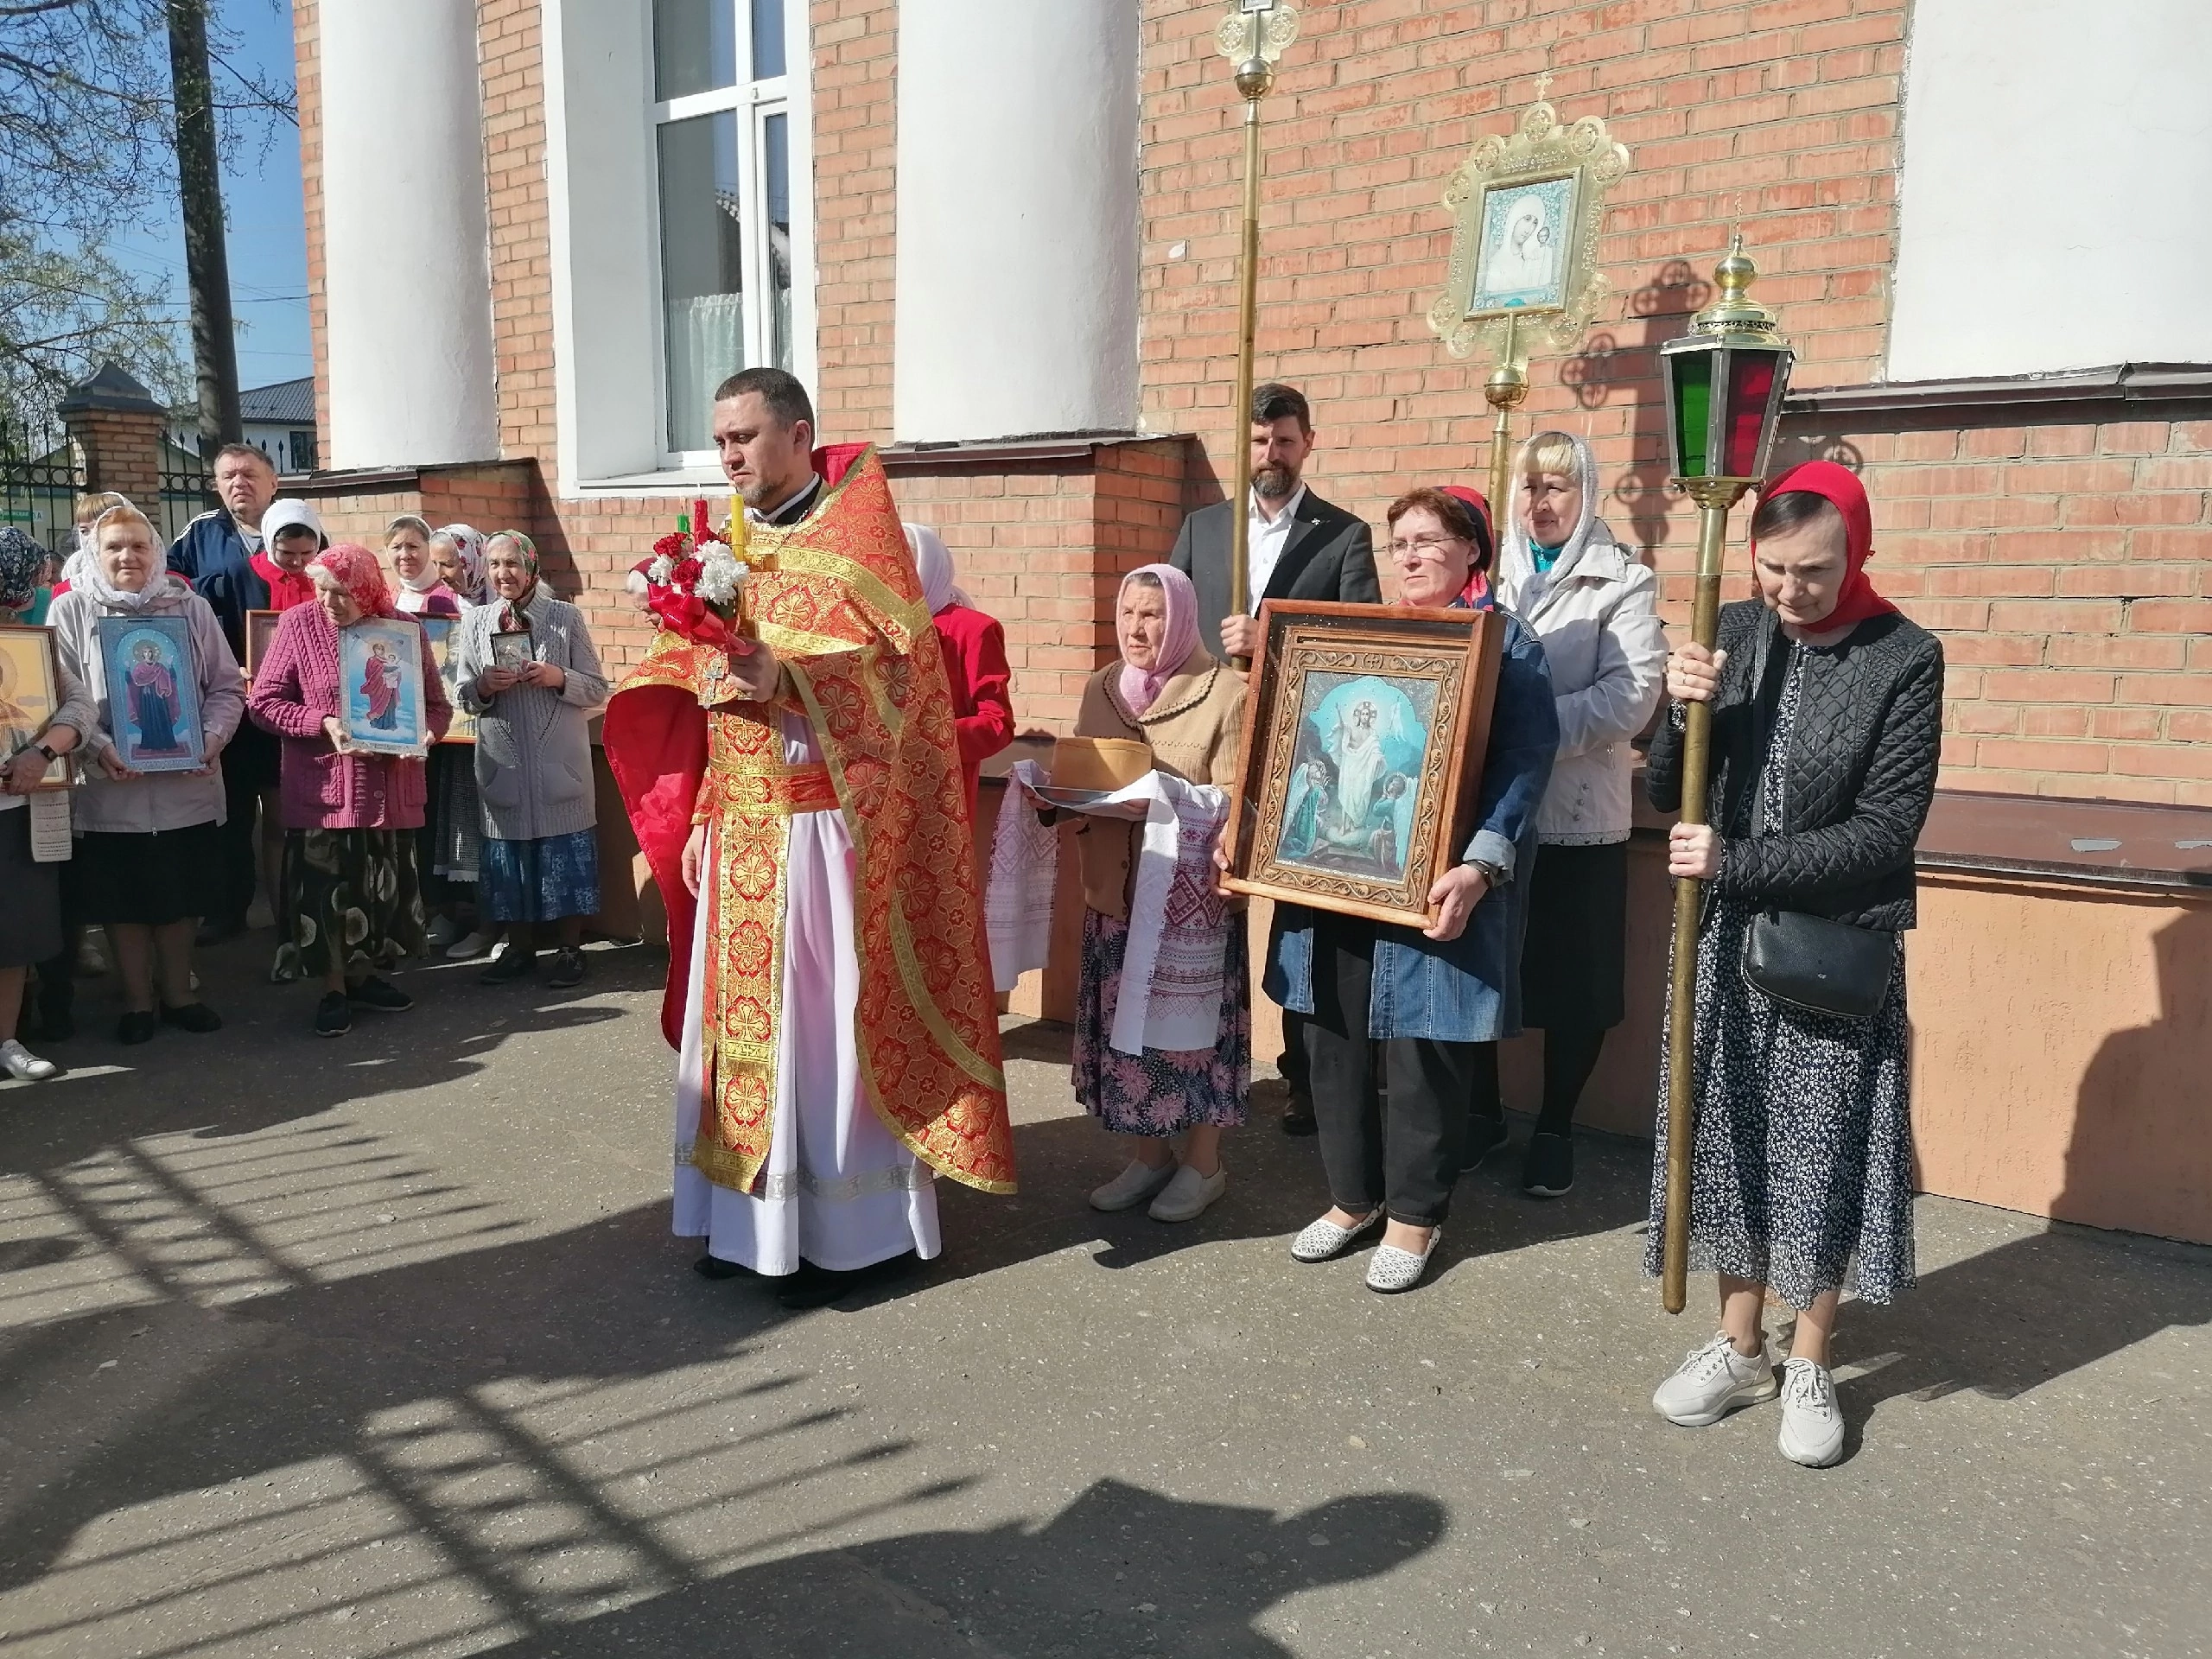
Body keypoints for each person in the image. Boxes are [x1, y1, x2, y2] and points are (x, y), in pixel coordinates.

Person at [605, 367, 1015, 1312]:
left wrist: (785, 676)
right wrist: (706, 810)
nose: (728, 457)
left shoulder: (860, 540)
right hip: (741, 828)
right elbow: (710, 697)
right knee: (739, 1042)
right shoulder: (724, 544)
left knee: (821, 1038)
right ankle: (744, 1224)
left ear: (797, 435)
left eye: (743, 438)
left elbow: (903, 696)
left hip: (823, 835)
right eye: (718, 441)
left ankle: (847, 1235)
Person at [1644, 461, 1942, 1468]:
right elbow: (1663, 794)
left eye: (1812, 571)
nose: (1788, 591)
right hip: (1722, 941)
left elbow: (1886, 831)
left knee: (1818, 1152)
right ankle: (1738, 1345)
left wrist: (1741, 861)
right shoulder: (1732, 631)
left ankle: (1810, 1354)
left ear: (1856, 552)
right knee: (1727, 1139)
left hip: (1831, 946)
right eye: (1772, 568)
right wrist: (1679, 711)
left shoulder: (1904, 658)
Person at [1263, 486, 1558, 1294]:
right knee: (1331, 1034)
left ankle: (1415, 1217)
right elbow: (1299, 738)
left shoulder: (1508, 643)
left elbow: (1526, 761)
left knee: (1423, 1047)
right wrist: (1267, 822)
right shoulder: (1358, 636)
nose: (1413, 556)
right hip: (1335, 873)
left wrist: (1481, 862)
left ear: (1472, 550)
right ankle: (1351, 1199)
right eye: (1401, 544)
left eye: (1431, 540)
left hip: (1435, 879)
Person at [1169, 382, 1382, 1138]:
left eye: (1285, 442)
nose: (1272, 455)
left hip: (1304, 753)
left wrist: (1275, 648)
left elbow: (1361, 652)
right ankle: (1197, 1056)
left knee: (1301, 912)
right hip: (1209, 742)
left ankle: (1301, 1075)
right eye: (1260, 442)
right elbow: (1172, 626)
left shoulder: (1344, 536)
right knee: (1201, 895)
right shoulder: (1204, 528)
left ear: (1308, 444)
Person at [1465, 431, 1668, 1195]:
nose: (1539, 503)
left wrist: (1530, 727)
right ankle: (1482, 1114)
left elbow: (1631, 696)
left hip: (1581, 811)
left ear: (1587, 495)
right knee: (1483, 963)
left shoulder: (1622, 580)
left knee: (1572, 980)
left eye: (1556, 487)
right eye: (1528, 488)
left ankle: (1554, 1124)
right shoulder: (1494, 577)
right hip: (1495, 807)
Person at [1071, 565, 1249, 1223]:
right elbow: (1085, 771)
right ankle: (1150, 1158)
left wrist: (1163, 798)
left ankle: (1203, 1166)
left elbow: (1238, 800)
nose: (1137, 629)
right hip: (1114, 893)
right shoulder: (1100, 686)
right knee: (1129, 1036)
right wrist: (1059, 795)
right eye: (1128, 614)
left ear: (1179, 618)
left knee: (1193, 1039)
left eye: (1152, 615)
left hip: (1189, 909)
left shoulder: (1226, 692)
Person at [48, 502, 245, 1044]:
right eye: (114, 547)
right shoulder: (71, 614)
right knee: (124, 900)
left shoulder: (190, 608)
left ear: (156, 551)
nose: (127, 556)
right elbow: (59, 697)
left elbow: (227, 688)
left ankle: (180, 993)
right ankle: (137, 1001)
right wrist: (101, 746)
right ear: (94, 552)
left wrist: (210, 739)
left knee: (181, 896)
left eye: (139, 545)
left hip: (187, 781)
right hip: (113, 785)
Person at [247, 544, 450, 1037]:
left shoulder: (403, 629)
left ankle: (364, 979)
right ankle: (333, 989)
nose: (329, 601)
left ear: (366, 589)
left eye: (341, 593)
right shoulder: (297, 625)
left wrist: (422, 736)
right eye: (321, 590)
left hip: (388, 788)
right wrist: (324, 723)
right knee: (326, 892)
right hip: (326, 791)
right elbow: (263, 703)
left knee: (379, 888)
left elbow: (436, 708)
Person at [454, 530, 609, 989]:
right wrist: (484, 686)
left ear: (532, 567)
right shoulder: (476, 623)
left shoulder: (564, 617)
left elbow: (598, 687)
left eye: (512, 563)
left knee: (565, 859)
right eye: (495, 564)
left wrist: (558, 677)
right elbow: (462, 694)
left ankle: (569, 950)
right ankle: (519, 949)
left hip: (558, 765)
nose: (504, 573)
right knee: (509, 862)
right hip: (504, 765)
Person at [0, 531, 95, 1081]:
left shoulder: (28, 644)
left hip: (16, 811)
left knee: (13, 931)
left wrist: (40, 752)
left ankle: (7, 1038)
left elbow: (79, 706)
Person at [906, 523, 1014, 823]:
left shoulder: (972, 630)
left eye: (904, 563)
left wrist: (927, 737)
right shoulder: (871, 628)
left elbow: (997, 724)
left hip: (941, 800)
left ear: (925, 565)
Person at [423, 524, 496, 958]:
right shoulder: (439, 605)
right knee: (456, 830)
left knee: (490, 831)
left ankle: (494, 923)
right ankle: (459, 915)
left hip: (492, 735)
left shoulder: (501, 602)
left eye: (448, 562)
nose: (443, 572)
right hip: (453, 738)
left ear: (471, 558)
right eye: (438, 564)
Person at [168, 443, 278, 588]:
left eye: (249, 475)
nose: (238, 483)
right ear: (218, 486)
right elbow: (167, 582)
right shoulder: (200, 530)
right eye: (229, 476)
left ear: (273, 484)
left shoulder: (298, 526)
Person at [389, 515, 462, 617]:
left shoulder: (452, 597)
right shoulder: (385, 596)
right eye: (396, 547)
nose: (405, 555)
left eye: (413, 546)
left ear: (430, 548)